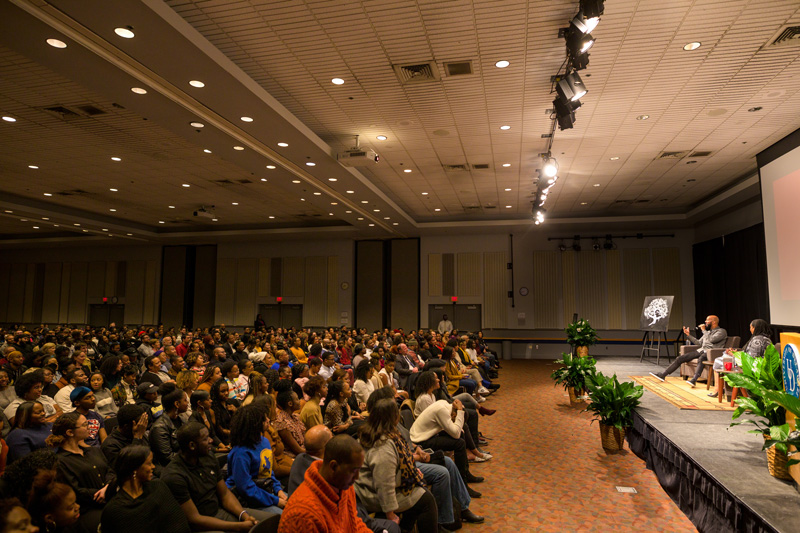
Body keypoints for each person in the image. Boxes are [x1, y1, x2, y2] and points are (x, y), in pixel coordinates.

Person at [160, 422, 275, 532]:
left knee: (273, 521)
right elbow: (194, 519)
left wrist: (244, 516)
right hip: (201, 525)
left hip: (221, 511)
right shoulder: (174, 476)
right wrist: (238, 526)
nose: (211, 441)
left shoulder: (208, 457)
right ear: (192, 445)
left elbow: (224, 494)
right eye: (205, 439)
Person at [355, 398, 438, 533]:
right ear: (393, 417)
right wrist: (390, 514)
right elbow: (384, 483)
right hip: (372, 495)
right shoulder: (382, 445)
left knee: (420, 490)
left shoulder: (374, 432)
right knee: (426, 500)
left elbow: (400, 463)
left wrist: (413, 471)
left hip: (371, 489)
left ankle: (405, 528)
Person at [278, 434, 374, 533]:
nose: (357, 477)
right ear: (334, 467)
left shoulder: (344, 486)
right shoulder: (302, 515)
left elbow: (354, 524)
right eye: (353, 471)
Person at [46, 412, 115, 532]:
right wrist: (104, 493)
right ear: (70, 432)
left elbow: (110, 470)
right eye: (84, 425)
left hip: (112, 498)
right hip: (87, 509)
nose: (90, 427)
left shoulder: (93, 450)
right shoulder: (60, 461)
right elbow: (75, 491)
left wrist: (109, 486)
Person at [100, 446, 191, 533]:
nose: (153, 467)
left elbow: (180, 525)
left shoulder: (158, 487)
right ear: (135, 469)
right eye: (149, 463)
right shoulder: (114, 510)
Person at [225, 404, 286, 514]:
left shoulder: (264, 441)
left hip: (264, 490)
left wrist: (278, 489)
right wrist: (275, 500)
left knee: (296, 504)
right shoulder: (241, 452)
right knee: (283, 515)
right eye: (264, 419)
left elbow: (268, 471)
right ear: (254, 425)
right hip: (246, 498)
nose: (268, 420)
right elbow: (245, 487)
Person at [409, 398, 483, 485]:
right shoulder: (442, 411)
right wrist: (460, 411)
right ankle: (462, 482)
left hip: (426, 435)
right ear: (454, 415)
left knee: (461, 435)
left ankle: (466, 474)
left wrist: (459, 412)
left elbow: (457, 432)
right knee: (459, 443)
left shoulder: (444, 404)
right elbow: (456, 434)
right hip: (420, 440)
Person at [650, 314, 728, 386]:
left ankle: (694, 380)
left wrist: (703, 330)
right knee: (680, 358)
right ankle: (663, 375)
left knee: (701, 358)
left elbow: (712, 340)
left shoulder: (721, 331)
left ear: (714, 322)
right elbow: (699, 343)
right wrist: (688, 335)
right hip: (701, 350)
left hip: (711, 353)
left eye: (707, 320)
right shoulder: (707, 332)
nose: (705, 322)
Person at [101, 404, 149, 469]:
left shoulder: (139, 431)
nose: (143, 426)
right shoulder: (110, 445)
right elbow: (127, 468)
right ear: (126, 427)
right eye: (140, 423)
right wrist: (137, 438)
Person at [150, 389, 188, 467]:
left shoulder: (182, 419)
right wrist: (191, 456)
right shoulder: (159, 428)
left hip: (184, 461)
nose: (187, 403)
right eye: (185, 400)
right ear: (177, 404)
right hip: (171, 468)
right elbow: (167, 458)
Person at [274, 390, 306, 457]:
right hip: (293, 457)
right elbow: (298, 450)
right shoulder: (282, 422)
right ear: (290, 404)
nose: (300, 401)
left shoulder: (294, 417)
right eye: (297, 399)